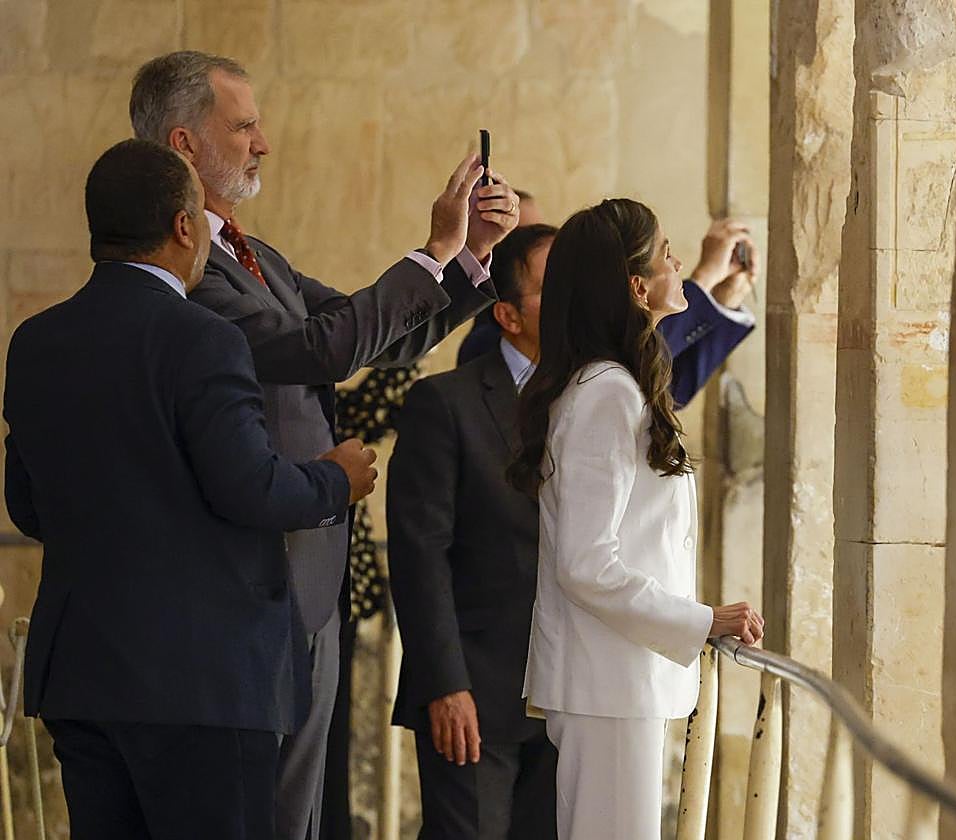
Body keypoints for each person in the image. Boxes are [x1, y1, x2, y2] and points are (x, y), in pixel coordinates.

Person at [129, 50, 519, 840]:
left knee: (300, 807)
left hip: (307, 577)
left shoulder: (253, 252)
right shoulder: (190, 273)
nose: (264, 142)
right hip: (253, 579)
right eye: (244, 127)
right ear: (183, 145)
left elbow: (374, 336)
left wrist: (469, 256)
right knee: (262, 810)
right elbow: (322, 352)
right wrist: (435, 249)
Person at [3, 139, 378, 839]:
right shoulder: (201, 338)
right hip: (203, 682)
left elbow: (26, 502)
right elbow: (252, 490)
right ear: (183, 226)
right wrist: (336, 479)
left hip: (84, 672)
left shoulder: (36, 340)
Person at [508, 198, 764, 839]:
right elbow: (586, 564)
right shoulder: (607, 395)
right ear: (635, 285)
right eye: (666, 252)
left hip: (617, 681)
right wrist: (702, 619)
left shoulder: (612, 384)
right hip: (608, 685)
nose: (679, 261)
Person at [386, 224, 558, 839]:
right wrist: (445, 685)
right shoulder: (445, 403)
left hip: (572, 697)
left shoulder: (598, 401)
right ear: (508, 314)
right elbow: (419, 554)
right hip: (473, 697)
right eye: (555, 286)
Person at [457, 203, 758, 408]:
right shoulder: (482, 351)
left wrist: (722, 299)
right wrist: (702, 281)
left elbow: (667, 387)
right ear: (508, 316)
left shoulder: (597, 363)